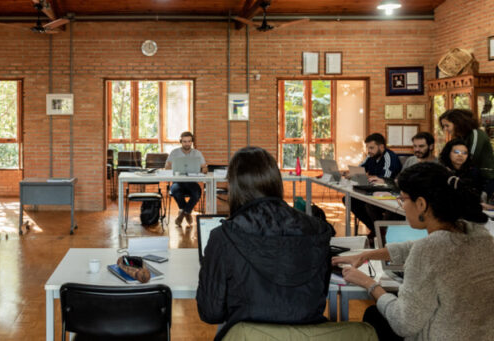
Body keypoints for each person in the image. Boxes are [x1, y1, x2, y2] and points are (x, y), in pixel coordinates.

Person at [333, 162, 494, 341]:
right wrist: (366, 255)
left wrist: (369, 284)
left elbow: (404, 324)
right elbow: (417, 247)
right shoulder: (479, 233)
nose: (401, 205)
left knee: (374, 314)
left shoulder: (428, 250)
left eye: (402, 199)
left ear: (421, 204)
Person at [197, 146, 332, 341]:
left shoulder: (224, 236)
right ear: (276, 181)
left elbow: (210, 312)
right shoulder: (317, 229)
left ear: (234, 187)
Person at [350, 133, 403, 240]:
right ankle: (376, 230)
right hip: (374, 191)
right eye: (367, 148)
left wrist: (370, 178)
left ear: (382, 147)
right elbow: (360, 169)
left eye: (371, 148)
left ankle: (380, 232)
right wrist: (350, 174)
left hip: (388, 194)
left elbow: (385, 179)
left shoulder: (389, 157)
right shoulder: (371, 156)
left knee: (368, 204)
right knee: (350, 200)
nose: (368, 151)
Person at [165, 131, 207, 227]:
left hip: (191, 182)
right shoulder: (174, 152)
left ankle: (183, 213)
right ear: (181, 142)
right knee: (175, 190)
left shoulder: (197, 153)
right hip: (178, 181)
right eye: (184, 141)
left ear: (192, 142)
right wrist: (173, 167)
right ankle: (187, 212)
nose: (187, 143)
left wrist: (203, 169)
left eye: (189, 141)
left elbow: (205, 168)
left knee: (197, 192)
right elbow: (166, 167)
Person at [439, 108, 494, 179]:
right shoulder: (460, 137)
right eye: (443, 126)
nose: (445, 129)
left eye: (447, 126)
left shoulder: (476, 134)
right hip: (470, 177)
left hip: (486, 179)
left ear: (458, 123)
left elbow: (470, 158)